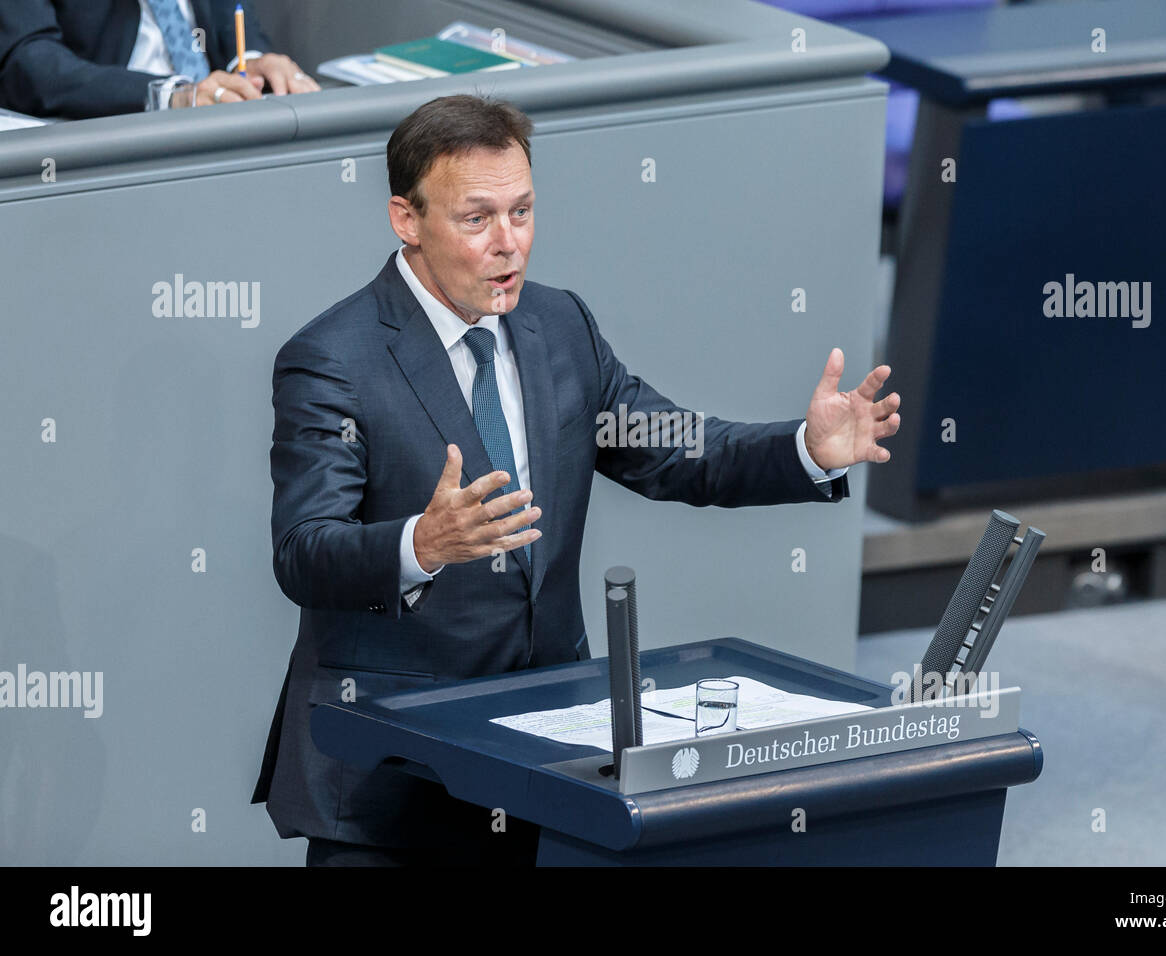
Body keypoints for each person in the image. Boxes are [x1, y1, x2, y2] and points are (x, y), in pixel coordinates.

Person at [252, 93, 902, 866]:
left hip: (548, 759)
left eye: (523, 212)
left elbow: (675, 451)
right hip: (393, 776)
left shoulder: (559, 327)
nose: (510, 244)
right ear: (406, 219)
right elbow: (303, 551)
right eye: (478, 219)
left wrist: (808, 449)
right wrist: (420, 545)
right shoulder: (333, 358)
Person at [0, 0, 318, 119]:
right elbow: (30, 63)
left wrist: (249, 59)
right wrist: (169, 96)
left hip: (221, 119)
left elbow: (230, 10)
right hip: (114, 136)